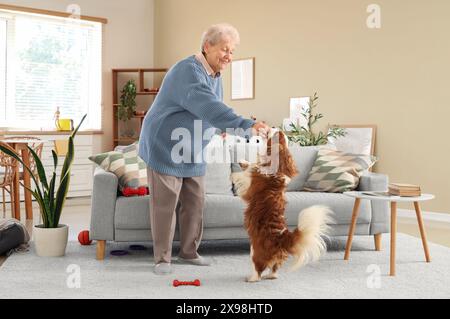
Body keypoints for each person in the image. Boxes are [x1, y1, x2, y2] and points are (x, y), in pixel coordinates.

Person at [138, 23, 270, 275]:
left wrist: (218, 129)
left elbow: (207, 111)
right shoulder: (187, 71)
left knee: (195, 201)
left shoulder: (214, 75)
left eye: (232, 52)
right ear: (207, 46)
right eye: (224, 50)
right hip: (164, 145)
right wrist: (245, 125)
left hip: (193, 147)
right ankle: (162, 259)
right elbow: (208, 105)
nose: (229, 57)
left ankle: (188, 253)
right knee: (164, 205)